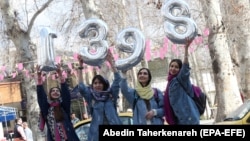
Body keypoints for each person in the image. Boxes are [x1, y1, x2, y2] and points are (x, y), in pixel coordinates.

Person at [77, 49, 122, 141]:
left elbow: (118, 80)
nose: (98, 85)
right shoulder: (91, 97)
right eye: (95, 83)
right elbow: (81, 87)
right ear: (92, 85)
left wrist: (111, 62)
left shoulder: (111, 95)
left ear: (104, 85)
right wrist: (81, 66)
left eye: (100, 83)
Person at [36, 64, 80, 141]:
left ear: (60, 94)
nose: (55, 92)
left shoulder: (63, 106)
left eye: (57, 91)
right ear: (49, 94)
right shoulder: (47, 108)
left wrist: (60, 75)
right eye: (53, 91)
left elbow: (66, 95)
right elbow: (41, 97)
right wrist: (39, 78)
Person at [164, 37, 200, 125]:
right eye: (172, 66)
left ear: (180, 69)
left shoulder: (180, 78)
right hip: (179, 120)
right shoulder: (170, 82)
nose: (173, 68)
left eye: (176, 67)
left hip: (189, 118)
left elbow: (185, 67)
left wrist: (186, 49)